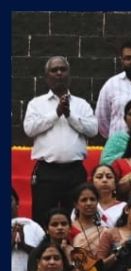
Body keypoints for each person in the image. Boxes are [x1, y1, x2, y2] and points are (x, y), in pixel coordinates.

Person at [24, 57, 98, 227]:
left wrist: (70, 116)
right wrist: (56, 114)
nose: (59, 73)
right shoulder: (36, 104)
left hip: (75, 171)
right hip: (47, 171)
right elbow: (29, 129)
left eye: (63, 69)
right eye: (54, 70)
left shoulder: (81, 104)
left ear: (69, 74)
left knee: (77, 219)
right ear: (46, 76)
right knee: (42, 216)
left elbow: (93, 130)